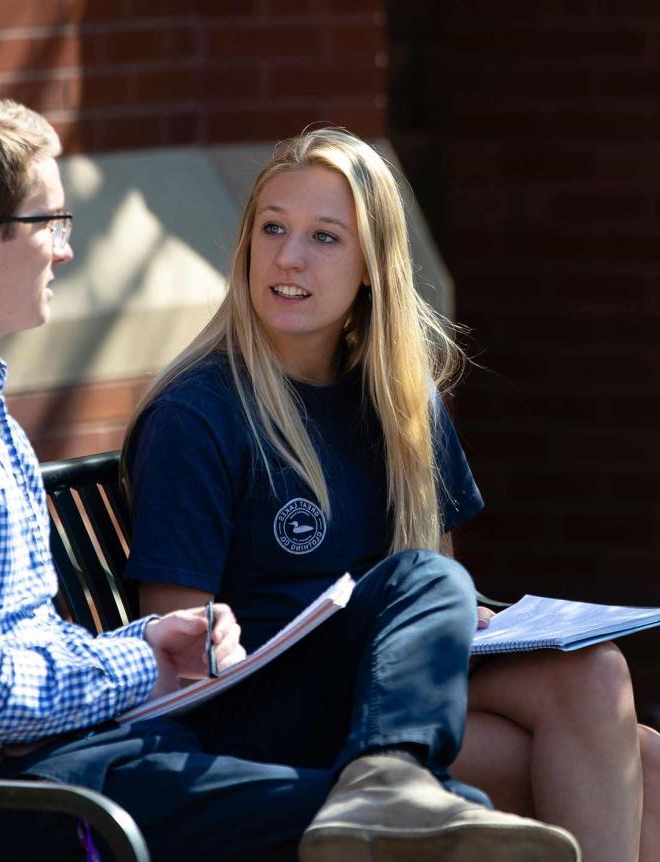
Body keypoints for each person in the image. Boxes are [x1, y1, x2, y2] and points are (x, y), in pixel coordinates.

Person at [0, 100, 579, 862]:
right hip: (31, 798)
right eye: (50, 222)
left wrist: (146, 644)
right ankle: (392, 792)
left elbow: (15, 652)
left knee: (425, 588)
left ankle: (391, 778)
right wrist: (145, 659)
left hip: (102, 754)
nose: (66, 247)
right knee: (450, 827)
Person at [122, 126, 656, 862]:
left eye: (324, 237)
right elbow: (177, 654)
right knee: (609, 751)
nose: (288, 257)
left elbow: (441, 596)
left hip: (396, 697)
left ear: (374, 266)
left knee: (610, 694)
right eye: (272, 229)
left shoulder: (402, 401)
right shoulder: (199, 413)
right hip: (262, 726)